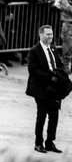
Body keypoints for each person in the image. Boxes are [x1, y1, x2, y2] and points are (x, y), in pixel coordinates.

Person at [26, 25, 67, 154]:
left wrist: (62, 75)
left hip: (53, 89)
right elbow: (33, 70)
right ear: (41, 35)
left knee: (54, 115)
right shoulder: (34, 51)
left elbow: (58, 65)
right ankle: (38, 143)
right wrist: (50, 77)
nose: (50, 37)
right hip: (40, 87)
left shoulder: (53, 49)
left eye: (51, 34)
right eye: (47, 34)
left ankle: (50, 142)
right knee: (42, 115)